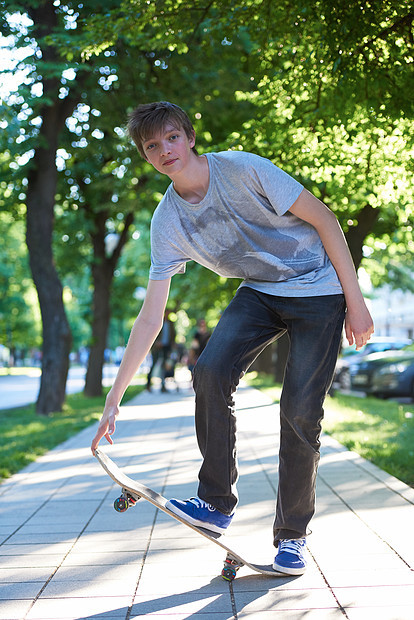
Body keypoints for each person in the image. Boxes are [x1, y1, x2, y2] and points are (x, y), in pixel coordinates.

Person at [91, 101, 374, 576]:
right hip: (259, 293)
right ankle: (215, 503)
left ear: (190, 136)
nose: (166, 151)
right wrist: (113, 400)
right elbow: (149, 319)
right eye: (153, 146)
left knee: (300, 411)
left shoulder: (243, 169)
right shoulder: (167, 222)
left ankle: (292, 538)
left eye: (172, 138)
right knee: (210, 371)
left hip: (320, 291)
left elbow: (324, 218)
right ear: (146, 156)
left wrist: (356, 300)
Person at [146, 310, 176, 392]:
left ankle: (163, 386)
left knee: (164, 366)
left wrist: (173, 343)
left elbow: (173, 335)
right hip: (157, 347)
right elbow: (151, 333)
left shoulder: (170, 323)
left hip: (167, 347)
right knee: (154, 365)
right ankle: (148, 385)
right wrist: (156, 342)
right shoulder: (158, 321)